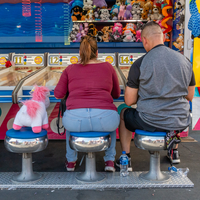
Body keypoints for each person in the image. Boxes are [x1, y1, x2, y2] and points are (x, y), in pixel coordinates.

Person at [116, 21, 195, 171]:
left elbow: (129, 100)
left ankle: (126, 157)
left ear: (144, 40)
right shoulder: (185, 61)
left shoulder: (140, 64)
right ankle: (174, 151)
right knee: (175, 114)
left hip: (148, 120)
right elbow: (189, 96)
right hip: (179, 119)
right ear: (163, 37)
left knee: (124, 112)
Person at [54, 35, 121, 172]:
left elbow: (58, 94)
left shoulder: (70, 69)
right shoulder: (108, 67)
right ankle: (109, 160)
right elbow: (116, 94)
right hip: (105, 121)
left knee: (70, 121)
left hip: (75, 121)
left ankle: (71, 161)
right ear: (97, 53)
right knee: (112, 119)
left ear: (80, 52)